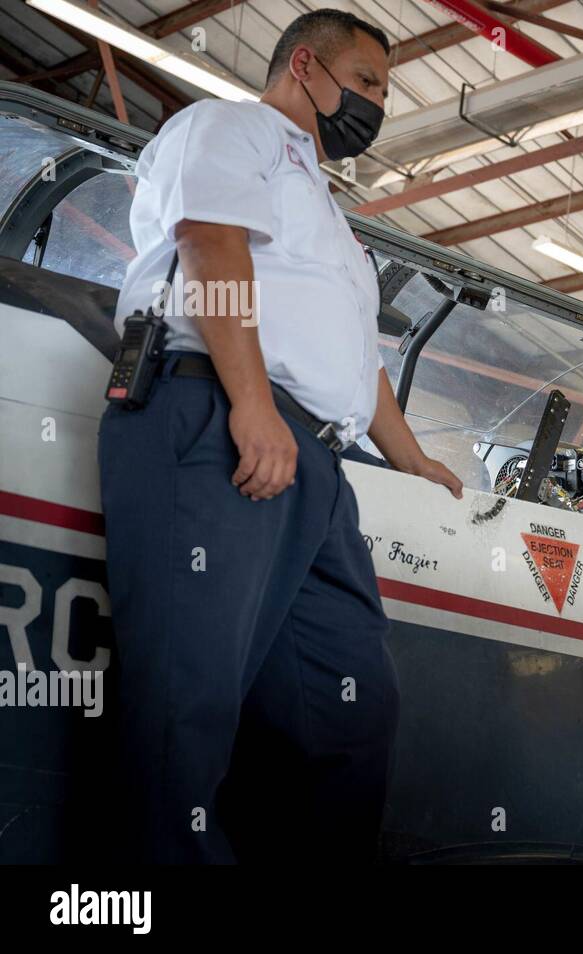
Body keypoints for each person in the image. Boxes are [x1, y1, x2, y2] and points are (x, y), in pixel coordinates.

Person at [99, 8, 462, 863]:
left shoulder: (332, 218)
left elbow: (352, 354)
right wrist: (251, 404)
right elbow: (209, 243)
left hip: (316, 466)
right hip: (213, 418)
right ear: (306, 65)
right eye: (367, 82)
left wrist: (411, 459)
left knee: (347, 713)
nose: (375, 104)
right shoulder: (229, 128)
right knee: (186, 706)